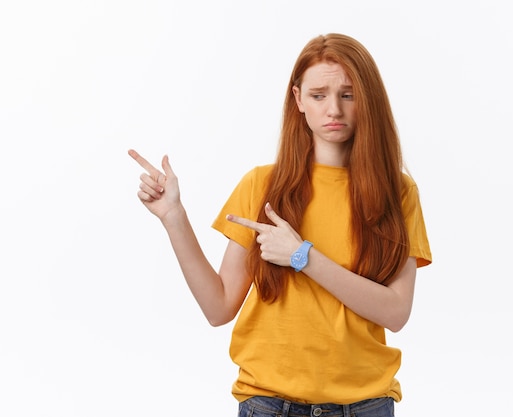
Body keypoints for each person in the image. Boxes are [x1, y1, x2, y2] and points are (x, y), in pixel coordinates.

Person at [129, 33, 431, 417]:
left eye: (348, 95)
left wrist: (302, 256)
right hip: (270, 405)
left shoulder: (397, 192)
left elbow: (396, 312)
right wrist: (174, 218)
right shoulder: (261, 185)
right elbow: (218, 307)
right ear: (298, 99)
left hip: (364, 406)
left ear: (367, 100)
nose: (334, 109)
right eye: (319, 95)